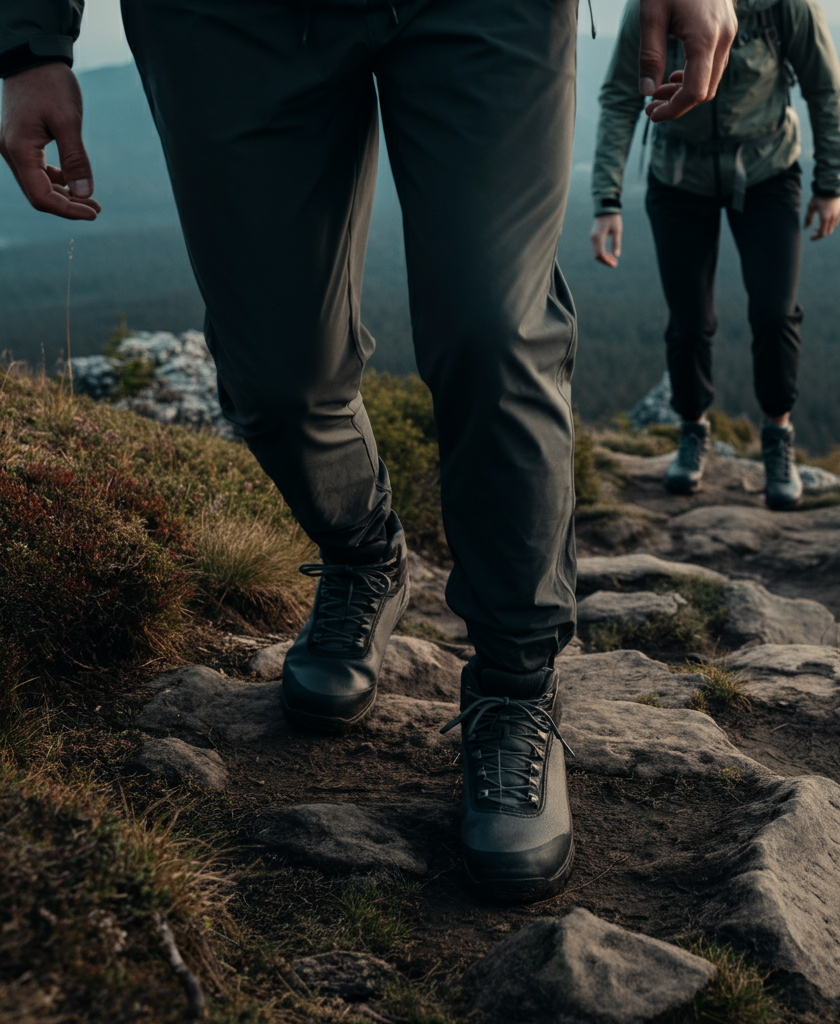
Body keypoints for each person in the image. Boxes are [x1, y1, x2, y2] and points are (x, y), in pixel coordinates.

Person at [0, 0, 735, 902]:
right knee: (277, 376)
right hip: (222, 22)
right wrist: (29, 43)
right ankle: (363, 553)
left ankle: (514, 686)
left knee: (495, 329)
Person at [591, 0, 840, 509]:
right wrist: (607, 200)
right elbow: (621, 96)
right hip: (678, 177)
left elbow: (824, 85)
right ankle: (693, 431)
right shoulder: (650, 5)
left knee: (775, 314)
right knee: (689, 321)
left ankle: (777, 438)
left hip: (769, 170)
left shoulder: (784, 6)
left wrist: (831, 182)